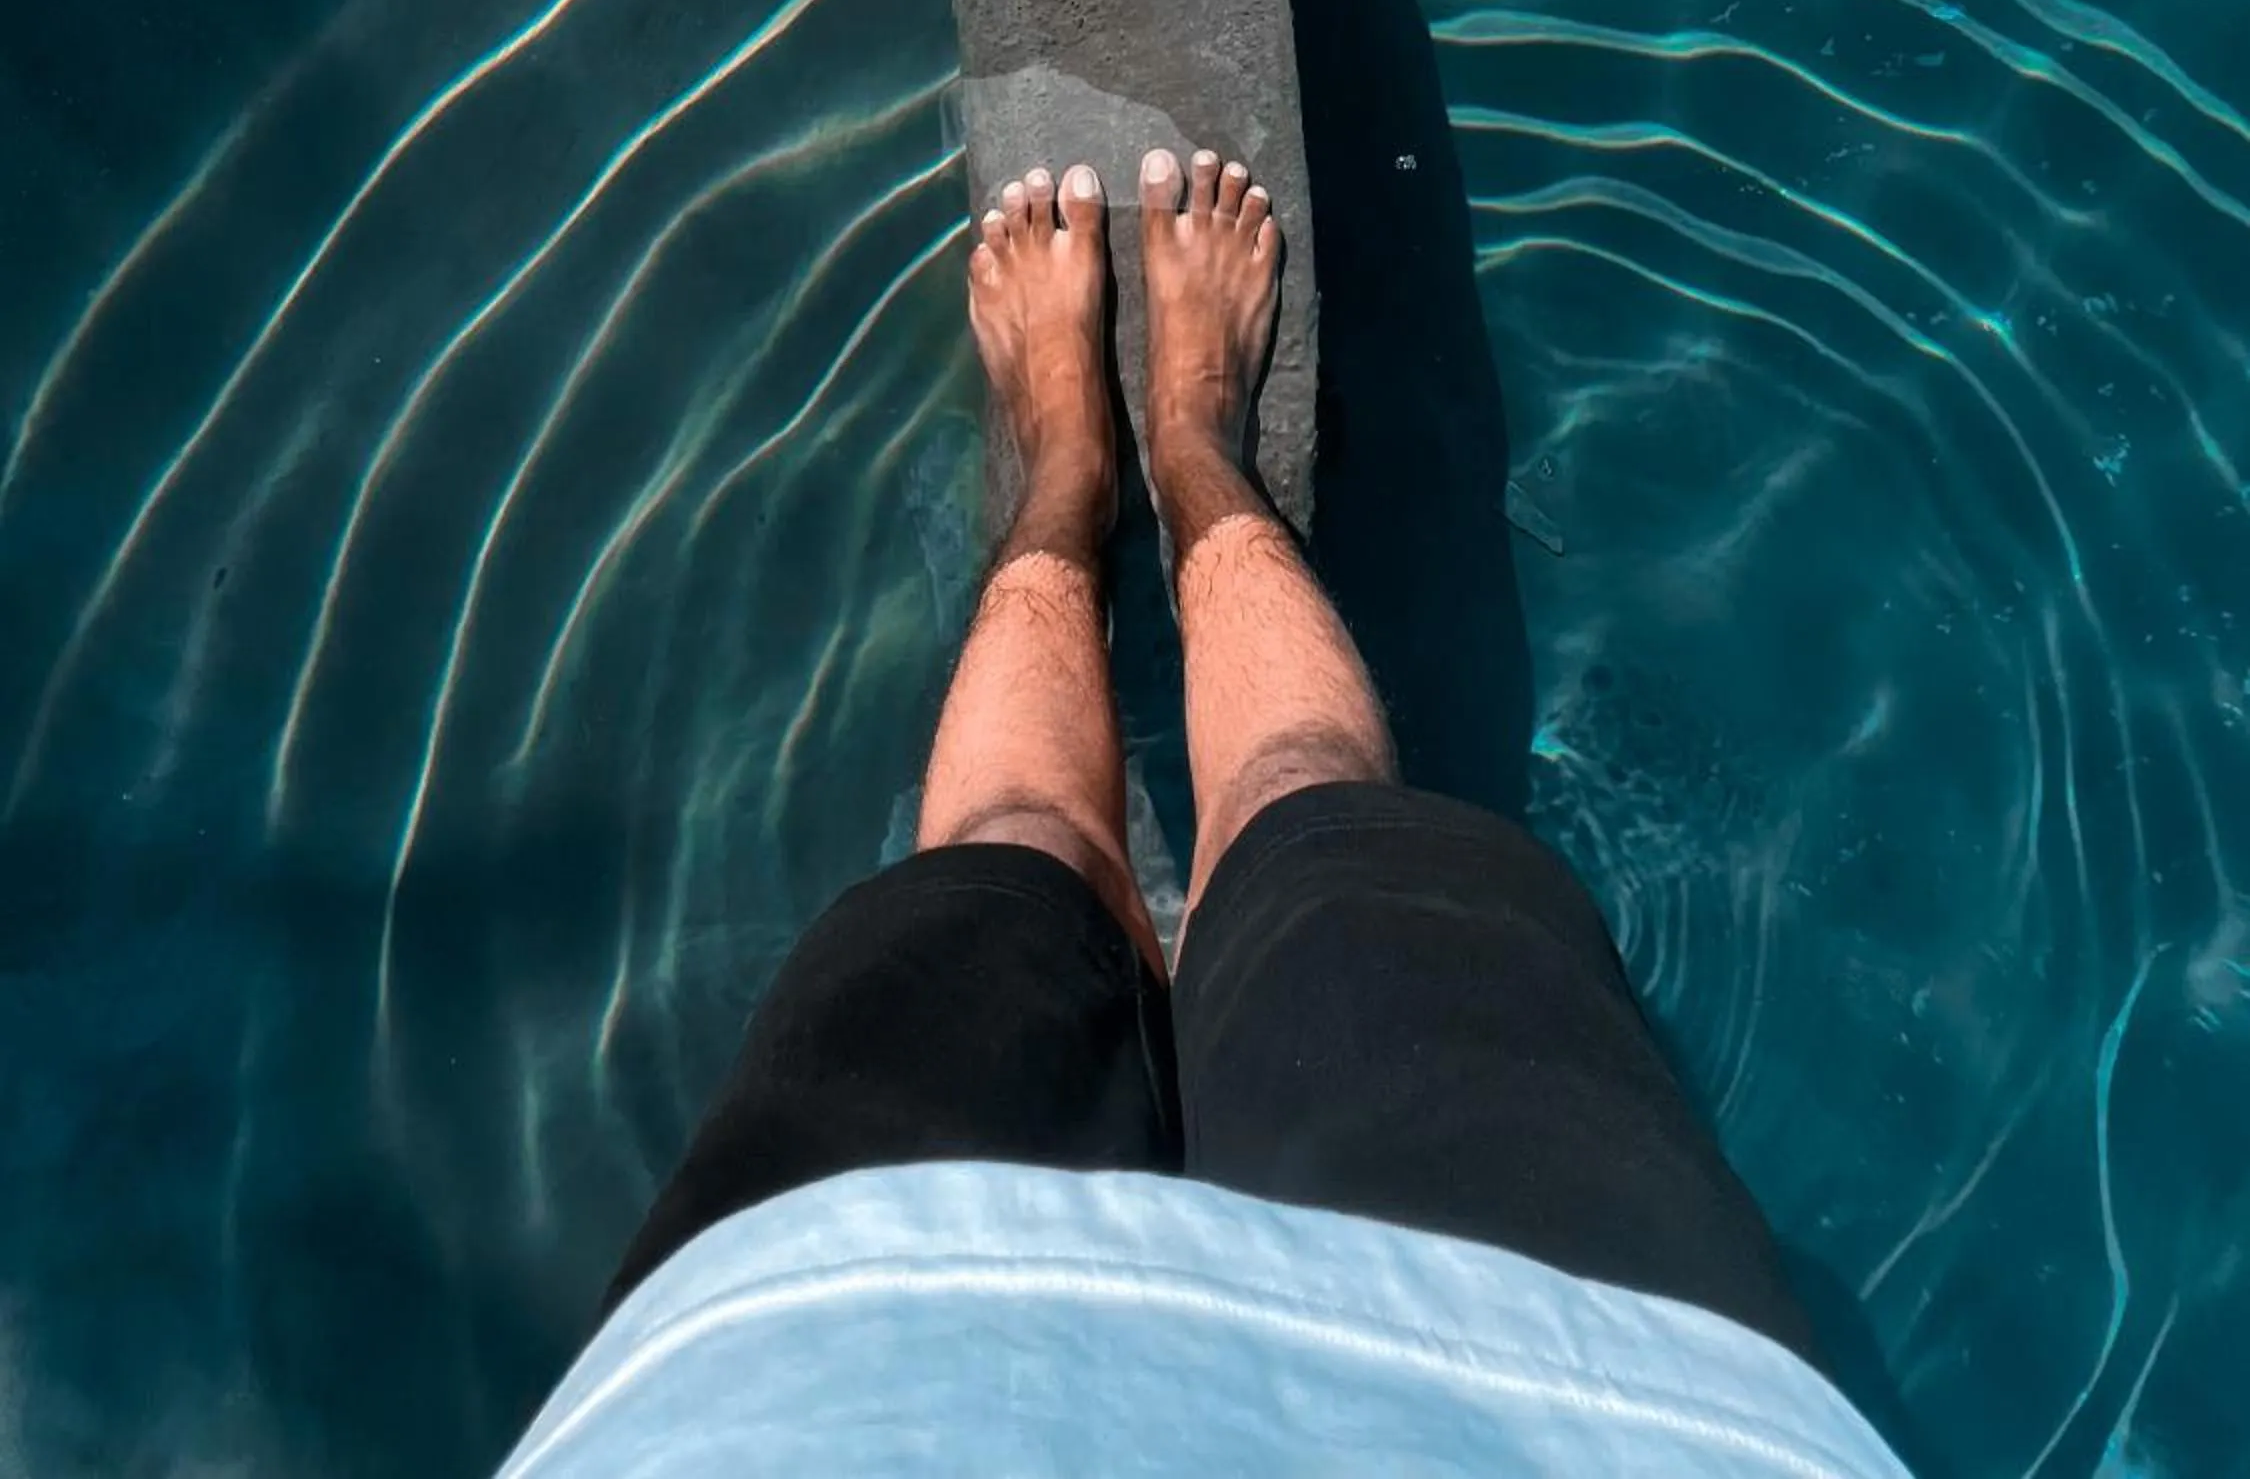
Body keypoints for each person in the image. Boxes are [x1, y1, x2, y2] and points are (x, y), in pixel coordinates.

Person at [499, 150, 1908, 1479]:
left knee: (1013, 860)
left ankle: (1092, 464)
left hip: (848, 1363)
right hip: (1562, 1388)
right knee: (1307, 823)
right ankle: (1181, 452)